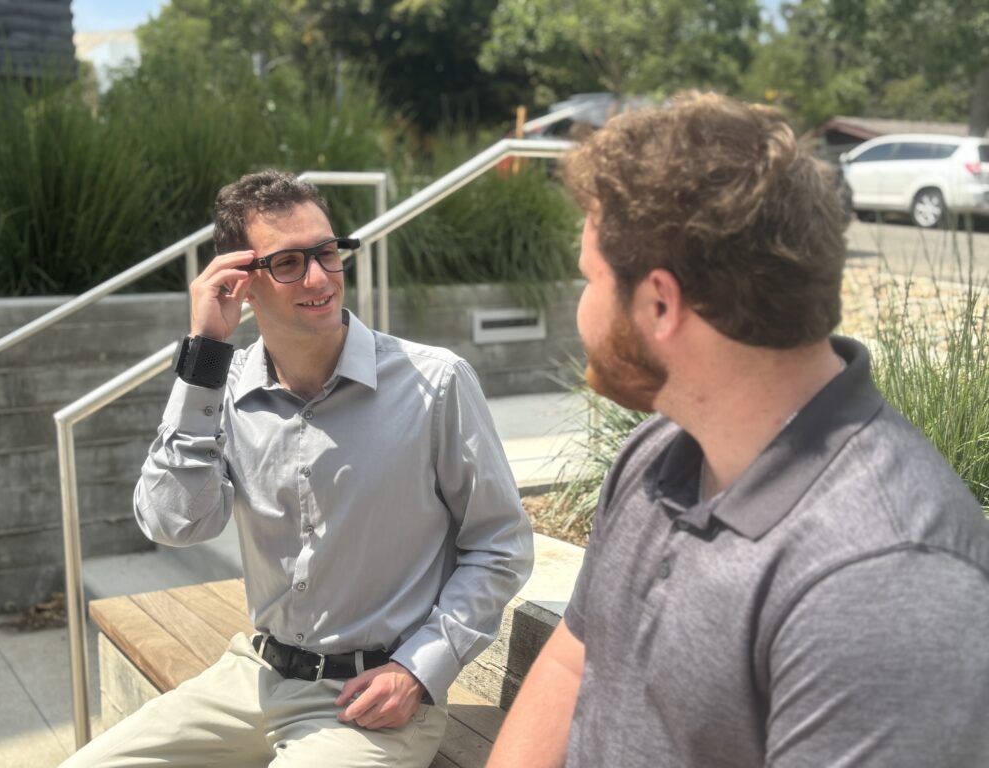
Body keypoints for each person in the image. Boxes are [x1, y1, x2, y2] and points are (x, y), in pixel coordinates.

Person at [487, 92, 989, 767]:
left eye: (589, 279)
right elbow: (574, 667)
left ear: (661, 303)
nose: (580, 307)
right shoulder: (658, 454)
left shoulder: (885, 582)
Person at [64, 170, 533, 767]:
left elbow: (500, 544)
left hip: (371, 700)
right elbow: (174, 523)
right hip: (254, 675)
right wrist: (203, 356)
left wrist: (420, 669)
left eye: (327, 253)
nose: (318, 279)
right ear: (242, 284)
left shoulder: (434, 383)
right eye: (287, 263)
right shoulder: (221, 386)